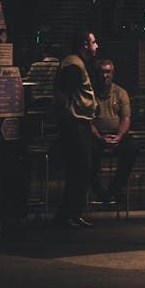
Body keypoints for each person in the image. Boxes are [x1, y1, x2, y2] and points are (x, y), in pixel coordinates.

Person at [52, 29, 98, 228]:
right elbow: (63, 94)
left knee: (81, 169)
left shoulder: (76, 63)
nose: (97, 46)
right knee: (79, 168)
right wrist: (65, 116)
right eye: (93, 42)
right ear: (85, 45)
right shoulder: (73, 64)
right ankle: (67, 215)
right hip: (74, 124)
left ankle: (73, 213)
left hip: (79, 123)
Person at [89, 59, 138, 205]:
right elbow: (86, 120)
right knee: (84, 151)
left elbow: (126, 118)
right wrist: (99, 137)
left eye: (108, 72)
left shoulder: (121, 93)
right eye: (102, 72)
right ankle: (100, 193)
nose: (105, 76)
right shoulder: (89, 92)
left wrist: (119, 136)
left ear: (113, 74)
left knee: (132, 148)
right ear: (97, 74)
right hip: (95, 136)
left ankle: (114, 189)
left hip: (117, 135)